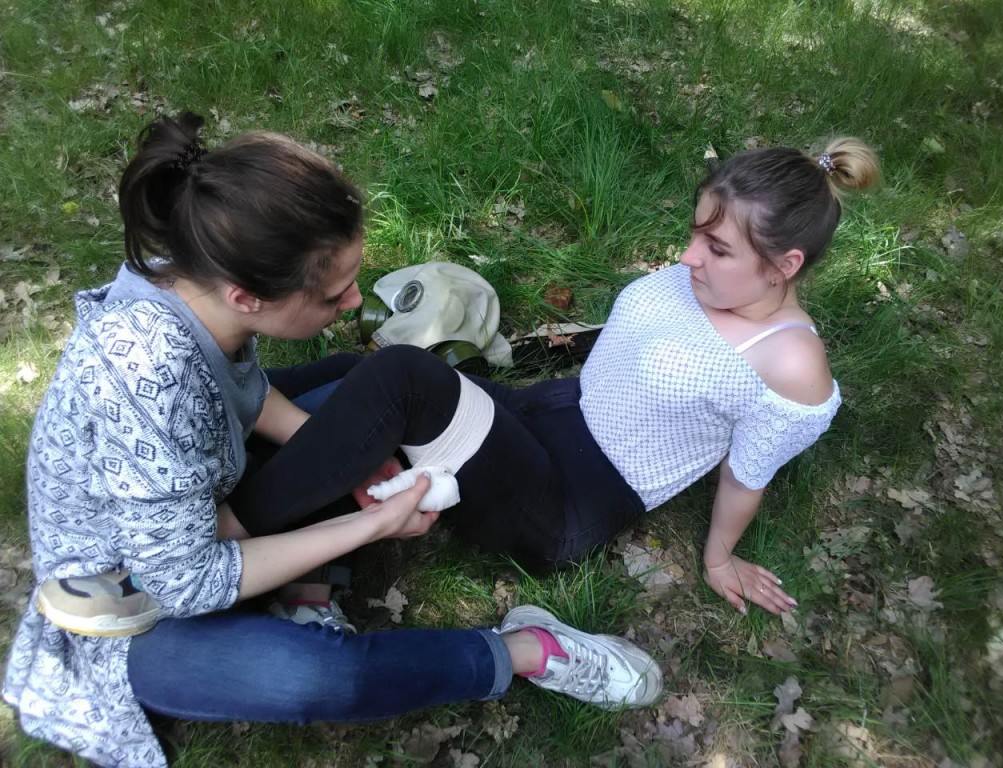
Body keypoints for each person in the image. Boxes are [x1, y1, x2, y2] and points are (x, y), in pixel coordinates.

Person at [2, 112, 663, 768]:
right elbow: (186, 583)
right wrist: (369, 525)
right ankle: (526, 650)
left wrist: (349, 459)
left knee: (358, 385)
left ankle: (305, 588)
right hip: (132, 609)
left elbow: (244, 391)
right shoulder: (149, 376)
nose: (353, 304)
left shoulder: (195, 273)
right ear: (246, 296)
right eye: (332, 294)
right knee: (317, 678)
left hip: (202, 504)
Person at [212, 136, 880, 617]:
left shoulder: (790, 364)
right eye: (696, 234)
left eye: (717, 248)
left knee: (402, 380)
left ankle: (226, 534)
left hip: (564, 500)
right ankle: (216, 436)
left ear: (785, 266)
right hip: (541, 414)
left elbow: (746, 474)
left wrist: (719, 557)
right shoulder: (709, 282)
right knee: (351, 374)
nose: (688, 257)